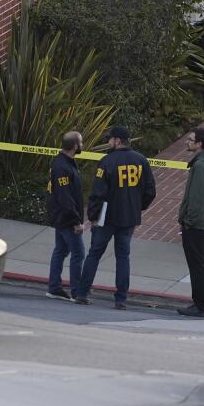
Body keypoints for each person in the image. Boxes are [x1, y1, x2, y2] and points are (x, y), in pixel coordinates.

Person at [72, 125, 156, 309]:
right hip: (129, 218)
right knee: (123, 257)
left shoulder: (107, 161)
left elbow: (98, 193)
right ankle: (121, 299)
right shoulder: (141, 160)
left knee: (94, 254)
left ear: (117, 141)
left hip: (106, 217)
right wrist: (137, 207)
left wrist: (93, 216)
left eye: (110, 139)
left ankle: (82, 292)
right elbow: (150, 190)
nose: (108, 142)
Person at [177, 127, 204, 317]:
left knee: (197, 266)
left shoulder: (201, 166)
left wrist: (188, 221)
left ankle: (200, 305)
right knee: (201, 265)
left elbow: (196, 198)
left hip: (196, 224)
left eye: (190, 139)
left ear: (199, 144)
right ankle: (202, 303)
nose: (187, 141)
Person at [45, 131, 86, 301]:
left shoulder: (64, 162)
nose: (83, 145)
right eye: (81, 142)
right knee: (78, 253)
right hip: (66, 218)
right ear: (75, 146)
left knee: (60, 251)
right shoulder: (63, 166)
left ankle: (54, 287)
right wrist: (76, 221)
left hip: (61, 216)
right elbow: (65, 197)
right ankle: (76, 292)